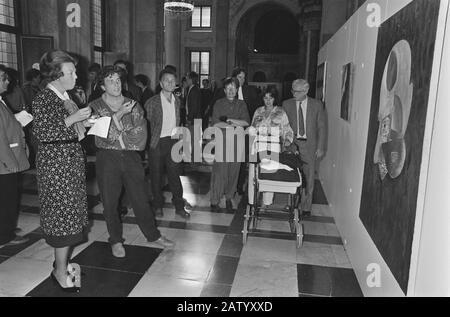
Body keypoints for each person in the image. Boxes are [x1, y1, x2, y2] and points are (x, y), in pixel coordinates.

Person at [89, 66, 175, 258]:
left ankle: (153, 235)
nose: (116, 84)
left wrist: (114, 130)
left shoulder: (133, 104)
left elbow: (140, 137)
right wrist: (118, 118)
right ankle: (116, 240)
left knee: (141, 199)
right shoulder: (95, 107)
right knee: (110, 203)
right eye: (111, 81)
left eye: (118, 80)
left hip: (131, 157)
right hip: (106, 159)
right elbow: (100, 139)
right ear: (102, 86)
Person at [33, 51, 93, 292]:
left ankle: (62, 263)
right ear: (56, 75)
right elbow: (43, 132)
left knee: (70, 216)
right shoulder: (44, 99)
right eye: (71, 72)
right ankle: (59, 271)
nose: (76, 76)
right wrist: (74, 119)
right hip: (56, 167)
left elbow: (65, 126)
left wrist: (83, 122)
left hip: (68, 163)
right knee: (63, 220)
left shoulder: (64, 96)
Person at [145, 69, 191, 219]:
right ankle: (157, 205)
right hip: (157, 142)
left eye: (173, 80)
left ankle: (179, 205)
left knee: (175, 176)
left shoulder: (178, 101)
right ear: (160, 83)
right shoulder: (152, 102)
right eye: (167, 80)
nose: (170, 83)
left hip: (173, 142)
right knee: (156, 177)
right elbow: (145, 124)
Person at [283, 79, 327, 217]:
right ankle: (291, 203)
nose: (294, 93)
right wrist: (286, 143)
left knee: (309, 177)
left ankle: (306, 206)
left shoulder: (317, 105)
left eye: (297, 91)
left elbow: (322, 127)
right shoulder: (286, 104)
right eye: (292, 90)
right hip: (293, 144)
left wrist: (320, 147)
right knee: (291, 175)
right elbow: (283, 126)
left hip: (310, 145)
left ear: (306, 91)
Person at [248, 86, 294, 207]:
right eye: (265, 97)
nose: (268, 100)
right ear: (262, 99)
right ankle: (252, 200)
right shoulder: (258, 111)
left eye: (270, 98)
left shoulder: (280, 112)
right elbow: (252, 127)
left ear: (274, 99)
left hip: (273, 147)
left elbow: (287, 129)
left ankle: (267, 203)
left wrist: (288, 140)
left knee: (269, 173)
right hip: (258, 146)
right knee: (255, 174)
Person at [0, 65, 30, 249]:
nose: (7, 80)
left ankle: (6, 229)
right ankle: (4, 235)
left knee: (6, 199)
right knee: (7, 199)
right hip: (4, 163)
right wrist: (8, 163)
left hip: (5, 161)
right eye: (3, 77)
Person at [210, 77, 250, 212]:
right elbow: (215, 123)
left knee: (234, 172)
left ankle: (228, 198)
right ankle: (215, 200)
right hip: (222, 141)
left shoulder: (242, 104)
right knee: (219, 172)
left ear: (237, 89)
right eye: (228, 88)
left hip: (237, 142)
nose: (231, 90)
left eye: (233, 88)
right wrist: (234, 123)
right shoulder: (218, 103)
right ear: (224, 90)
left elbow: (245, 122)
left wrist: (228, 120)